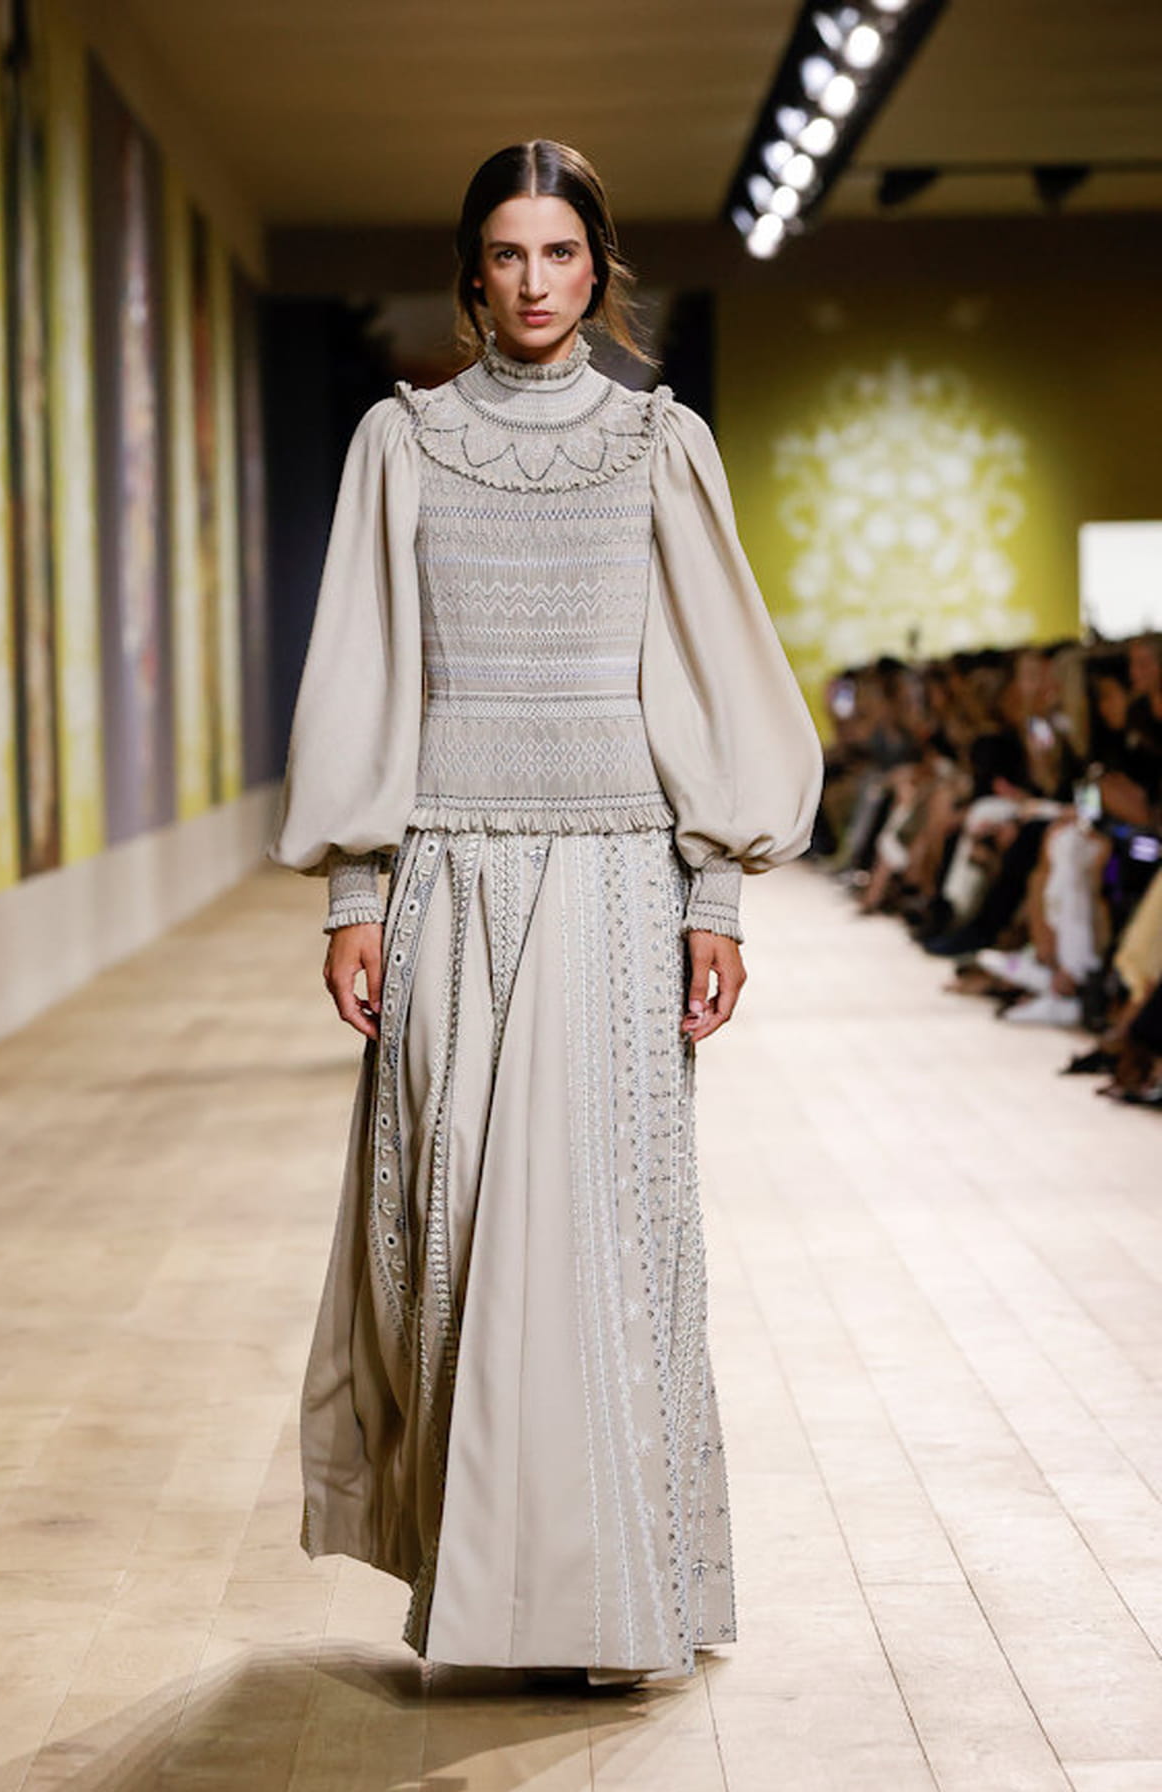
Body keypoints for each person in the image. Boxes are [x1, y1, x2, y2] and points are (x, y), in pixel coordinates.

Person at [269, 139, 822, 1686]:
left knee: (606, 1232)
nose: (534, 282)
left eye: (560, 254)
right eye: (508, 255)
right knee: (450, 1230)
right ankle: (489, 1596)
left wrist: (716, 892)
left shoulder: (660, 443)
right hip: (449, 870)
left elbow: (711, 673)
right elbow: (366, 661)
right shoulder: (403, 442)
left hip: (617, 874)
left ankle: (617, 1595)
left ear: (598, 267)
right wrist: (355, 888)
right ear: (474, 271)